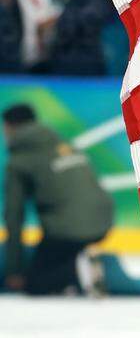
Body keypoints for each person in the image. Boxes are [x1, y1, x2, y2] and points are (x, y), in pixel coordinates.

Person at [3, 104, 113, 296]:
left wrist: (14, 270)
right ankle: (81, 264)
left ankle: (77, 274)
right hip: (103, 219)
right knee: (57, 255)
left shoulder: (19, 160)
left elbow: (14, 215)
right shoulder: (62, 144)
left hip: (67, 229)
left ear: (10, 127)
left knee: (35, 285)